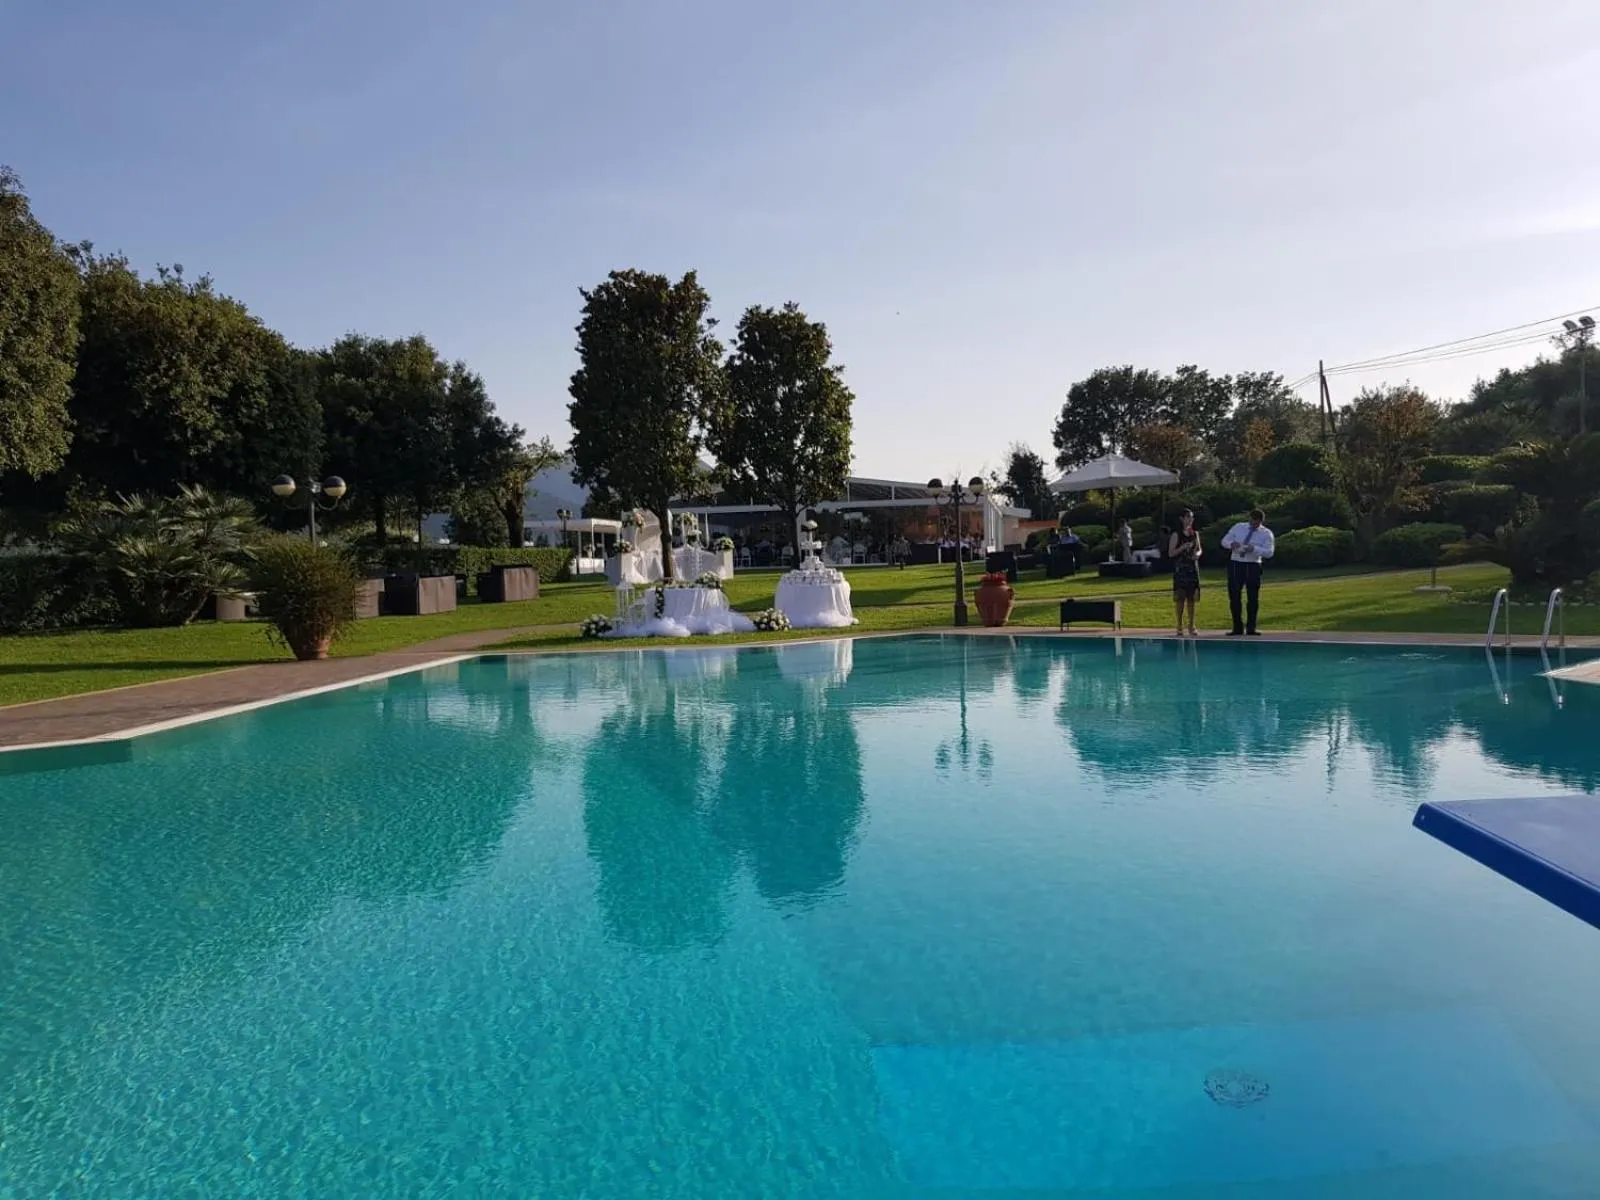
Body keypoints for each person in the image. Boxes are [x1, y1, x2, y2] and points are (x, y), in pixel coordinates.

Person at [1221, 508, 1275, 635]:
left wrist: (1255, 549)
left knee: (1252, 597)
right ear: (1249, 518)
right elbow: (1224, 541)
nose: (1254, 524)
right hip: (1236, 563)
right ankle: (1237, 627)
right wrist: (1231, 545)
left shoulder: (1266, 533)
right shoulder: (1238, 527)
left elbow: (1269, 552)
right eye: (1252, 521)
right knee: (1234, 596)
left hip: (1253, 565)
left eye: (1257, 522)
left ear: (1261, 521)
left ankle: (1251, 627)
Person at [1168, 510, 1201, 636]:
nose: (1190, 520)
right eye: (1188, 517)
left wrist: (1197, 555)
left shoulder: (1195, 534)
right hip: (1181, 569)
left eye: (1192, 518)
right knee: (1180, 599)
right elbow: (1171, 553)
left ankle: (1192, 625)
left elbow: (1199, 549)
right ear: (1182, 519)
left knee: (1191, 599)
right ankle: (1179, 625)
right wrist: (1182, 547)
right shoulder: (1176, 535)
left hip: (1193, 569)